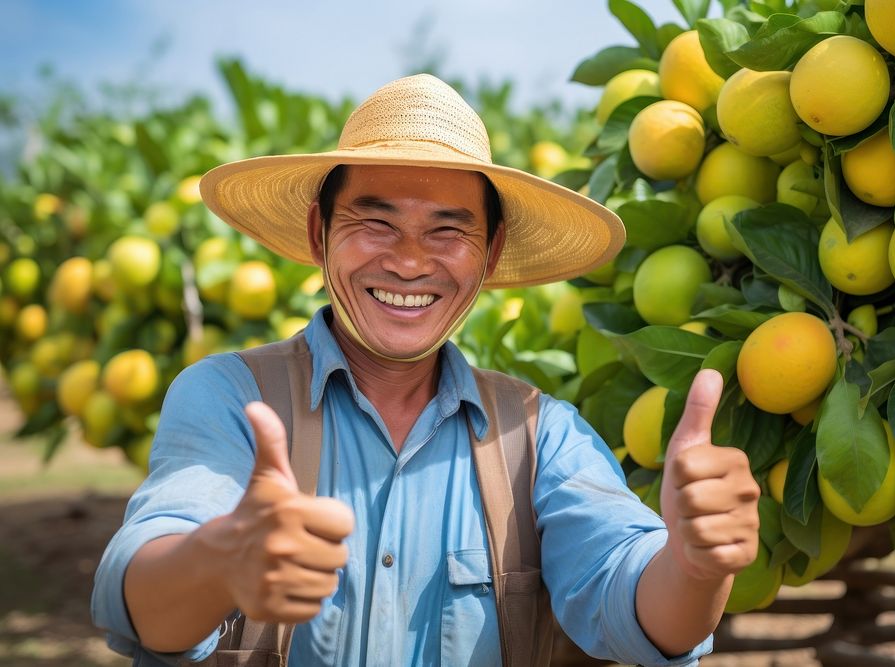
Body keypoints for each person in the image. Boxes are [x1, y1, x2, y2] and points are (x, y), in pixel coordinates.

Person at [92, 74, 760, 666]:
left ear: (491, 252)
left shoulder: (539, 436)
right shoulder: (232, 399)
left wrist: (694, 566)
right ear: (319, 232)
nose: (410, 262)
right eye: (375, 222)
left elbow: (628, 596)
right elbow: (140, 600)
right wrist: (219, 561)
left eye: (448, 230)